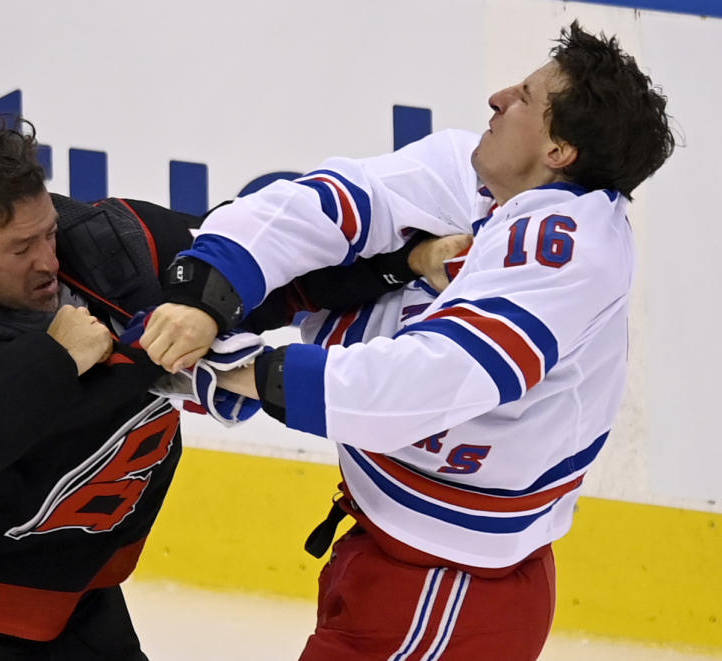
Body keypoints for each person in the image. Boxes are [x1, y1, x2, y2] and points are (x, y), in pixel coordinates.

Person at [0, 110, 463, 660]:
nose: (48, 260)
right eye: (21, 249)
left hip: (75, 603)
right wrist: (52, 359)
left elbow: (259, 272)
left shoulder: (108, 243)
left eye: (47, 231)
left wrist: (403, 262)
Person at [137, 22, 674, 661]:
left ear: (559, 149)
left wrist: (233, 372)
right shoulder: (477, 172)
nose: (499, 97)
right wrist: (203, 294)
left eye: (527, 97)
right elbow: (326, 205)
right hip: (398, 551)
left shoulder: (569, 250)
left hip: (448, 587)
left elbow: (429, 382)